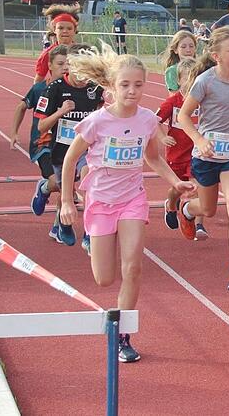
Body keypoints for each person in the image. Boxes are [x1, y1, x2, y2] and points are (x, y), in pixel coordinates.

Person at [59, 46, 196, 362]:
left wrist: (175, 182)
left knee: (133, 267)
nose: (132, 91)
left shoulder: (147, 120)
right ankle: (93, 238)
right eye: (125, 85)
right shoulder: (97, 121)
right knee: (104, 279)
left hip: (132, 199)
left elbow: (153, 158)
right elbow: (70, 160)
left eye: (138, 85)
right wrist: (66, 201)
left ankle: (122, 334)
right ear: (111, 85)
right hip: (100, 202)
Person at [175, 27, 229, 291]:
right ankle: (187, 210)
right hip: (206, 154)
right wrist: (199, 140)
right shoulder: (205, 81)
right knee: (209, 209)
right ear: (217, 56)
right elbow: (183, 116)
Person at [35, 44, 104, 249]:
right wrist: (60, 112)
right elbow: (41, 126)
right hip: (61, 149)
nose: (83, 76)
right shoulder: (54, 88)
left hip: (86, 148)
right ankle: (49, 198)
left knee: (89, 181)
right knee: (62, 187)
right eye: (80, 69)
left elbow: (104, 106)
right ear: (70, 66)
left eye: (88, 70)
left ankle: (89, 233)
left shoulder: (95, 88)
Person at [157, 59, 208, 240]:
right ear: (179, 80)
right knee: (177, 188)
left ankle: (198, 224)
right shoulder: (173, 102)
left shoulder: (203, 100)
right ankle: (171, 205)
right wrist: (162, 137)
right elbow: (155, 121)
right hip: (177, 153)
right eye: (187, 78)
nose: (191, 82)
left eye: (195, 78)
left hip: (197, 153)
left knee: (199, 187)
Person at [15, 46, 67, 217]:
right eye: (60, 64)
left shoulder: (74, 90)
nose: (65, 68)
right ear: (50, 65)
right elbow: (21, 107)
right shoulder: (39, 89)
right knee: (57, 183)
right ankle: (43, 189)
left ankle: (60, 225)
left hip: (64, 143)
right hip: (42, 143)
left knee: (66, 187)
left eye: (68, 64)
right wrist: (14, 133)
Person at [33, 4, 80, 83]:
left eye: (69, 28)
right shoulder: (48, 54)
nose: (65, 31)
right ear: (54, 29)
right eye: (60, 28)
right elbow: (38, 80)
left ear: (74, 30)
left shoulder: (81, 52)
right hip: (57, 89)